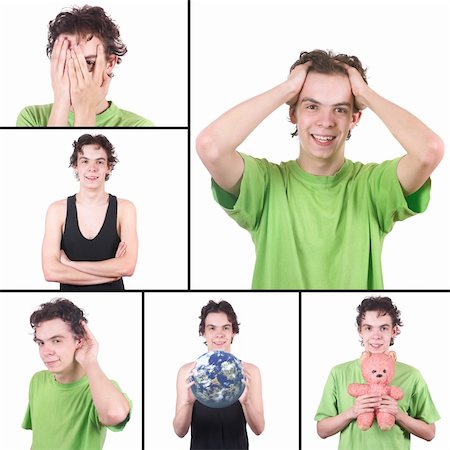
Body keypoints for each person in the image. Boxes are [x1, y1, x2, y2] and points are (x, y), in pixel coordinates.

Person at [196, 49, 444, 290]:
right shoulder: (265, 184)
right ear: (293, 113)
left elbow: (429, 151)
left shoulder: (373, 186)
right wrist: (288, 89)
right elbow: (211, 147)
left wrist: (365, 94)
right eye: (312, 106)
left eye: (339, 109)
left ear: (354, 119)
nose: (326, 121)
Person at [315, 296, 439, 450]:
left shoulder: (412, 375)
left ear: (394, 331)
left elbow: (430, 433)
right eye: (368, 328)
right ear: (360, 331)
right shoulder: (338, 373)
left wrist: (399, 415)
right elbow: (322, 430)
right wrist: (351, 412)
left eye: (383, 328)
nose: (376, 336)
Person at [17, 5, 153, 127]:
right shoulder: (32, 118)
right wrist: (61, 102)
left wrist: (85, 110)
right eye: (65, 60)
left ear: (110, 63)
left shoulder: (139, 126)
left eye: (88, 62)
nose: (73, 72)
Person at [23, 298, 132, 450]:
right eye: (41, 342)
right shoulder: (38, 380)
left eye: (57, 341)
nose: (46, 352)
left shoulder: (98, 389)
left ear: (79, 341)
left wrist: (90, 361)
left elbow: (114, 414)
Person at [42, 133, 138, 291]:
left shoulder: (125, 209)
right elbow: (51, 271)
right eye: (85, 161)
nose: (92, 168)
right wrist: (112, 272)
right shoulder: (57, 210)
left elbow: (127, 267)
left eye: (99, 162)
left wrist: (70, 264)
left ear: (109, 167)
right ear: (76, 166)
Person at [173, 300, 264, 449]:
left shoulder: (249, 371)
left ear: (233, 331)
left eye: (226, 328)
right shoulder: (188, 372)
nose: (219, 334)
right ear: (203, 332)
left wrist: (246, 402)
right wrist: (188, 404)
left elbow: (259, 429)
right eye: (212, 328)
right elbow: (179, 431)